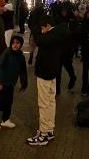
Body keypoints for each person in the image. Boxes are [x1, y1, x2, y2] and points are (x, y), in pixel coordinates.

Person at [26, 15, 65, 147]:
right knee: (50, 101)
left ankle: (43, 134)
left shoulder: (51, 36)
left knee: (43, 103)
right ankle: (49, 129)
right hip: (52, 73)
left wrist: (37, 30)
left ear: (48, 26)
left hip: (45, 73)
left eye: (43, 28)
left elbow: (39, 40)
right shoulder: (57, 34)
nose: (41, 31)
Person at [0, 34, 28, 131]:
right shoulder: (7, 53)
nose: (15, 45)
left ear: (21, 44)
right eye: (13, 43)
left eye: (17, 43)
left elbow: (23, 70)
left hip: (11, 83)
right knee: (1, 101)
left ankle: (5, 119)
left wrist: (24, 82)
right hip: (2, 83)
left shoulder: (20, 56)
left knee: (9, 101)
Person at [55, 7, 76, 95]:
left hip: (67, 49)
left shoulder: (71, 21)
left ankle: (73, 77)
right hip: (59, 49)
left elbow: (72, 36)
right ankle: (57, 89)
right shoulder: (57, 20)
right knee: (58, 70)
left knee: (68, 67)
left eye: (65, 11)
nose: (64, 12)